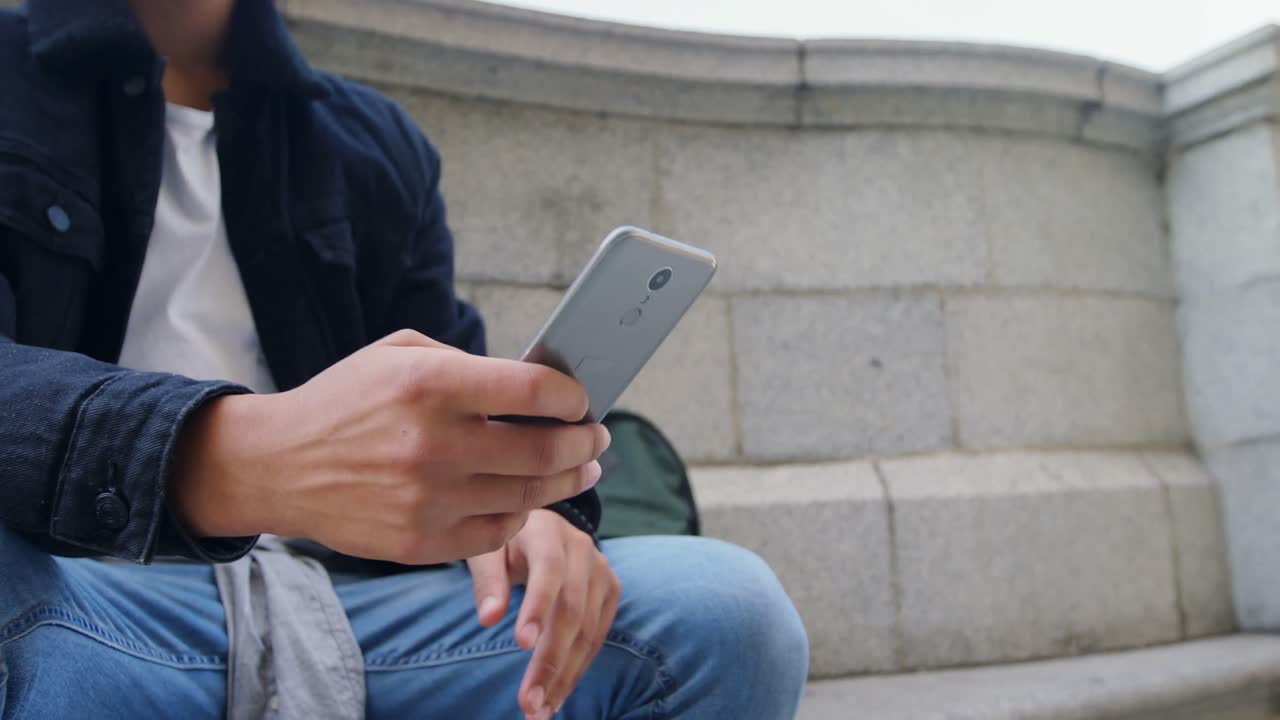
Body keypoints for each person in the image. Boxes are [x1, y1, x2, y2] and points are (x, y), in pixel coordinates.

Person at [0, 0, 809, 718]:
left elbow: (448, 389)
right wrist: (233, 458)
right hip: (70, 603)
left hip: (357, 607)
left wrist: (526, 512)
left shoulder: (377, 144)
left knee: (724, 614)